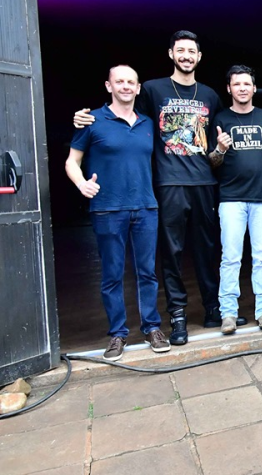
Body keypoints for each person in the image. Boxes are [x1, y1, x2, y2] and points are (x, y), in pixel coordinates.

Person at [73, 30, 249, 345]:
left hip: (204, 182)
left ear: (199, 57)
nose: (186, 56)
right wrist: (85, 117)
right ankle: (177, 316)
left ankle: (213, 308)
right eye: (180, 50)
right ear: (171, 54)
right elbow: (123, 109)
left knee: (208, 250)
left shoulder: (210, 95)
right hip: (167, 184)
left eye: (191, 51)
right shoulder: (153, 90)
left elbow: (225, 131)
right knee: (172, 253)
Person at [65, 65, 170, 361]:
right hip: (108, 209)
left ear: (138, 88)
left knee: (147, 272)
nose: (125, 86)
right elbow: (72, 161)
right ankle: (117, 334)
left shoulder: (148, 123)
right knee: (112, 275)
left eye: (130, 82)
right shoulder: (92, 121)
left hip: (146, 207)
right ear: (108, 86)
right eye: (119, 81)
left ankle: (152, 328)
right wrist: (81, 184)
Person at [209, 65, 262, 334]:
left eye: (246, 84)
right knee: (230, 257)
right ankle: (228, 313)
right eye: (236, 84)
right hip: (231, 199)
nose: (242, 88)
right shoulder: (219, 118)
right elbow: (212, 162)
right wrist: (220, 149)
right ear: (228, 89)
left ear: (254, 88)